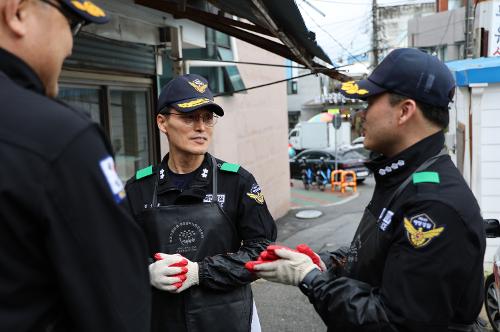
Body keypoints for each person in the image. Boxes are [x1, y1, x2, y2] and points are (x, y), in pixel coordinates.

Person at [252, 48, 486, 331]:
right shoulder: (402, 177)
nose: (361, 114)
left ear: (404, 111)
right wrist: (329, 262)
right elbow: (379, 256)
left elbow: (393, 322)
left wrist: (311, 278)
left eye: (369, 101)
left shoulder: (434, 205)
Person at [0, 1, 151, 331]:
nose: (70, 47)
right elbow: (118, 305)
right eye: (71, 24)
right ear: (17, 12)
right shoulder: (59, 137)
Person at [125, 73, 277, 332]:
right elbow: (115, 253)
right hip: (161, 320)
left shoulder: (237, 182)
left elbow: (262, 251)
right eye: (189, 117)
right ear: (162, 122)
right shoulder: (139, 188)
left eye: (207, 118)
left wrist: (199, 272)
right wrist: (145, 271)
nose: (201, 127)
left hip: (227, 319)